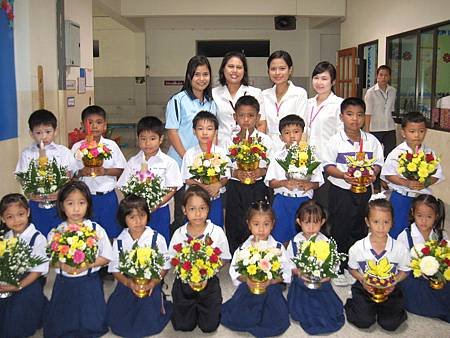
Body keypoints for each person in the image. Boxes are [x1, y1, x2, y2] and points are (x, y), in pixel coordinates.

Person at [323, 97, 384, 286]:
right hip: (341, 191)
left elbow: (378, 164)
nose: (354, 119)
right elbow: (327, 166)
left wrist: (372, 173)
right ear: (341, 117)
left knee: (359, 227)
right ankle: (338, 267)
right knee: (340, 228)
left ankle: (354, 265)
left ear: (364, 118)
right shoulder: (335, 141)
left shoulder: (371, 140)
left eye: (359, 115)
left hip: (364, 191)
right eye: (349, 114)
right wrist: (343, 176)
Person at [44, 181, 113, 338]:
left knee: (92, 323)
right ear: (62, 206)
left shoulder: (95, 229)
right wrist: (62, 265)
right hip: (65, 281)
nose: (76, 209)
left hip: (89, 281)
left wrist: (87, 264)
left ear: (88, 204)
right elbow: (50, 258)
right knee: (62, 323)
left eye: (81, 203)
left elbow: (107, 256)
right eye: (70, 203)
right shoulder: (57, 231)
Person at [221, 201, 291, 337]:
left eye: (266, 224)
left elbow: (285, 273)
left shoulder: (278, 248)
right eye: (256, 224)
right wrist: (247, 280)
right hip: (249, 286)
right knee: (239, 316)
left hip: (270, 288)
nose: (261, 229)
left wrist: (271, 281)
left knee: (274, 318)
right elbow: (235, 272)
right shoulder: (243, 248)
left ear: (273, 224)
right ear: (248, 224)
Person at [106, 195, 173, 337]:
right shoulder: (120, 241)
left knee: (148, 322)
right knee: (119, 322)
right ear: (123, 219)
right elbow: (115, 269)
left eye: (142, 215)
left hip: (150, 282)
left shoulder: (156, 238)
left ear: (147, 216)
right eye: (132, 217)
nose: (138, 221)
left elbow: (165, 266)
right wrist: (128, 283)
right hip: (127, 283)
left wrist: (153, 283)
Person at [168, 185, 231, 333]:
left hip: (208, 282)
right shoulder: (179, 233)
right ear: (184, 210)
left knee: (209, 327)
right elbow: (172, 258)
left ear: (209, 209)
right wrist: (185, 272)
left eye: (202, 208)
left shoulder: (217, 232)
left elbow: (226, 257)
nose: (198, 214)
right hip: (184, 283)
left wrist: (210, 270)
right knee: (184, 326)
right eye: (192, 209)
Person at [165, 55, 217, 234]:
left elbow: (213, 133)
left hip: (205, 167)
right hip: (181, 166)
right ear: (189, 76)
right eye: (197, 74)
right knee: (184, 213)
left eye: (205, 74)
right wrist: (190, 160)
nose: (201, 79)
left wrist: (212, 161)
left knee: (202, 211)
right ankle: (179, 252)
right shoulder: (177, 101)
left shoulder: (211, 102)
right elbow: (172, 132)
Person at [344, 198, 410, 331]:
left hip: (390, 289)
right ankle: (353, 302)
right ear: (367, 222)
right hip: (364, 288)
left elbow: (405, 271)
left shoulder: (399, 248)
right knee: (364, 321)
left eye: (386, 222)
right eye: (376, 222)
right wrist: (362, 280)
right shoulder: (357, 247)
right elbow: (352, 269)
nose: (381, 227)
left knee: (390, 324)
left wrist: (394, 281)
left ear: (392, 223)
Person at [117, 116, 182, 243]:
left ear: (161, 139)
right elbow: (123, 186)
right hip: (137, 213)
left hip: (159, 210)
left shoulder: (168, 162)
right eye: (143, 139)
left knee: (160, 241)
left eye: (152, 139)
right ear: (138, 139)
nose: (147, 143)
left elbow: (172, 188)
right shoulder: (133, 162)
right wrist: (134, 204)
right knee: (138, 241)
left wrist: (157, 203)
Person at [381, 112, 444, 238]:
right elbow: (388, 175)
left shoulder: (429, 152)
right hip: (401, 197)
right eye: (412, 131)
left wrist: (425, 183)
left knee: (422, 229)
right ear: (403, 133)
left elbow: (437, 174)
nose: (417, 135)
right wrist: (407, 183)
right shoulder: (397, 152)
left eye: (421, 131)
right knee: (397, 228)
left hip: (422, 198)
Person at [286, 200, 345, 335]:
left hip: (322, 282)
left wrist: (327, 276)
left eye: (315, 222)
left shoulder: (326, 242)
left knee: (327, 308)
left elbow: (334, 264)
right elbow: (288, 263)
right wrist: (299, 272)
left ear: (322, 222)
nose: (311, 227)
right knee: (300, 309)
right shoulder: (295, 242)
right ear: (299, 222)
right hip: (302, 282)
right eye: (307, 222)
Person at [225, 95, 273, 253]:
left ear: (258, 117)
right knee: (234, 221)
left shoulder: (265, 140)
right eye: (241, 115)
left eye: (251, 115)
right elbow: (223, 167)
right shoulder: (229, 141)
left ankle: (258, 254)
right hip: (235, 186)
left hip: (257, 187)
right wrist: (235, 172)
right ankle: (236, 257)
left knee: (257, 220)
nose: (246, 119)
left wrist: (261, 171)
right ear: (235, 117)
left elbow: (272, 167)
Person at [15, 109, 75, 236]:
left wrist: (61, 192)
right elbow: (22, 178)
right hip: (37, 204)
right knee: (38, 235)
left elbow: (70, 176)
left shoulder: (63, 152)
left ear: (55, 131)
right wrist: (31, 193)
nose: (43, 136)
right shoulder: (27, 154)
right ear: (31, 134)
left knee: (61, 236)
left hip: (59, 204)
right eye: (38, 132)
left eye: (48, 132)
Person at [265, 114, 322, 244]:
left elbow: (319, 181)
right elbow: (270, 182)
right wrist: (283, 183)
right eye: (287, 133)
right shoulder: (277, 156)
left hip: (304, 201)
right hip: (282, 201)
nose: (292, 136)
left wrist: (310, 185)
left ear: (302, 133)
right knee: (280, 237)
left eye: (296, 132)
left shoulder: (311, 155)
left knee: (305, 237)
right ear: (281, 137)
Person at [71, 105, 127, 239]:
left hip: (107, 197)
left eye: (99, 122)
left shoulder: (111, 146)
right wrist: (80, 172)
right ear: (82, 125)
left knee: (111, 232)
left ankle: (111, 258)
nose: (94, 126)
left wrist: (105, 171)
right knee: (87, 232)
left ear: (105, 126)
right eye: (90, 123)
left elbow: (121, 169)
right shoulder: (77, 147)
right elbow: (71, 175)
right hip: (85, 197)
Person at [0, 193, 49, 338]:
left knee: (15, 326)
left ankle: (39, 309)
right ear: (3, 219)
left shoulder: (37, 238)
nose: (16, 220)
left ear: (28, 212)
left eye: (20, 214)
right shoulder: (5, 237)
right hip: (8, 280)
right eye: (10, 217)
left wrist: (18, 286)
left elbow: (38, 271)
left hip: (30, 282)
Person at [397, 194, 450, 322]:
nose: (423, 221)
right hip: (414, 280)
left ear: (436, 216)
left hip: (436, 278)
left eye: (429, 217)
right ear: (412, 213)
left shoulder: (441, 234)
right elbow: (400, 265)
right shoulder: (405, 236)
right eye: (419, 216)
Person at [304, 61, 344, 210]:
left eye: (324, 78)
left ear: (333, 82)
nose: (319, 82)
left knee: (324, 206)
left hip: (326, 163)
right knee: (307, 206)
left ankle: (326, 233)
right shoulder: (307, 103)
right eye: (316, 77)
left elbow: (341, 136)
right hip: (306, 163)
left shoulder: (339, 105)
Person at [181, 111, 230, 227]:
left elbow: (225, 176)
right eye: (200, 129)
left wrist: (217, 185)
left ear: (215, 132)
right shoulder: (190, 154)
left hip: (214, 199)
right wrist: (205, 187)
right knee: (193, 229)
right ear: (194, 131)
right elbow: (187, 179)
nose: (205, 133)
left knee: (215, 229)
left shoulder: (221, 152)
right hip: (195, 201)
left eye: (209, 129)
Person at [213, 51, 266, 149]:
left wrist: (254, 148)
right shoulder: (214, 94)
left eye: (239, 67)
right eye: (230, 66)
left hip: (248, 147)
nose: (235, 70)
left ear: (244, 71)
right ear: (223, 69)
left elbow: (261, 124)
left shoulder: (255, 93)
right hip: (222, 147)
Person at [262, 50, 308, 151]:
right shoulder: (264, 95)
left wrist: (298, 153)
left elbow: (303, 127)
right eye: (273, 69)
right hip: (268, 147)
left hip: (291, 146)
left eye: (282, 68)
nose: (277, 73)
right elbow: (262, 126)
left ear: (290, 70)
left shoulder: (299, 93)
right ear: (268, 71)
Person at [364, 65, 397, 192]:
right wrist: (367, 132)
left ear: (389, 77)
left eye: (386, 75)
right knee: (376, 158)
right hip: (374, 129)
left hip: (389, 127)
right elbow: (367, 113)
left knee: (390, 156)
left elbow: (391, 109)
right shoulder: (371, 92)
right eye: (380, 75)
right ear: (377, 76)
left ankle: (385, 179)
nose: (383, 77)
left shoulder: (393, 91)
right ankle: (376, 186)